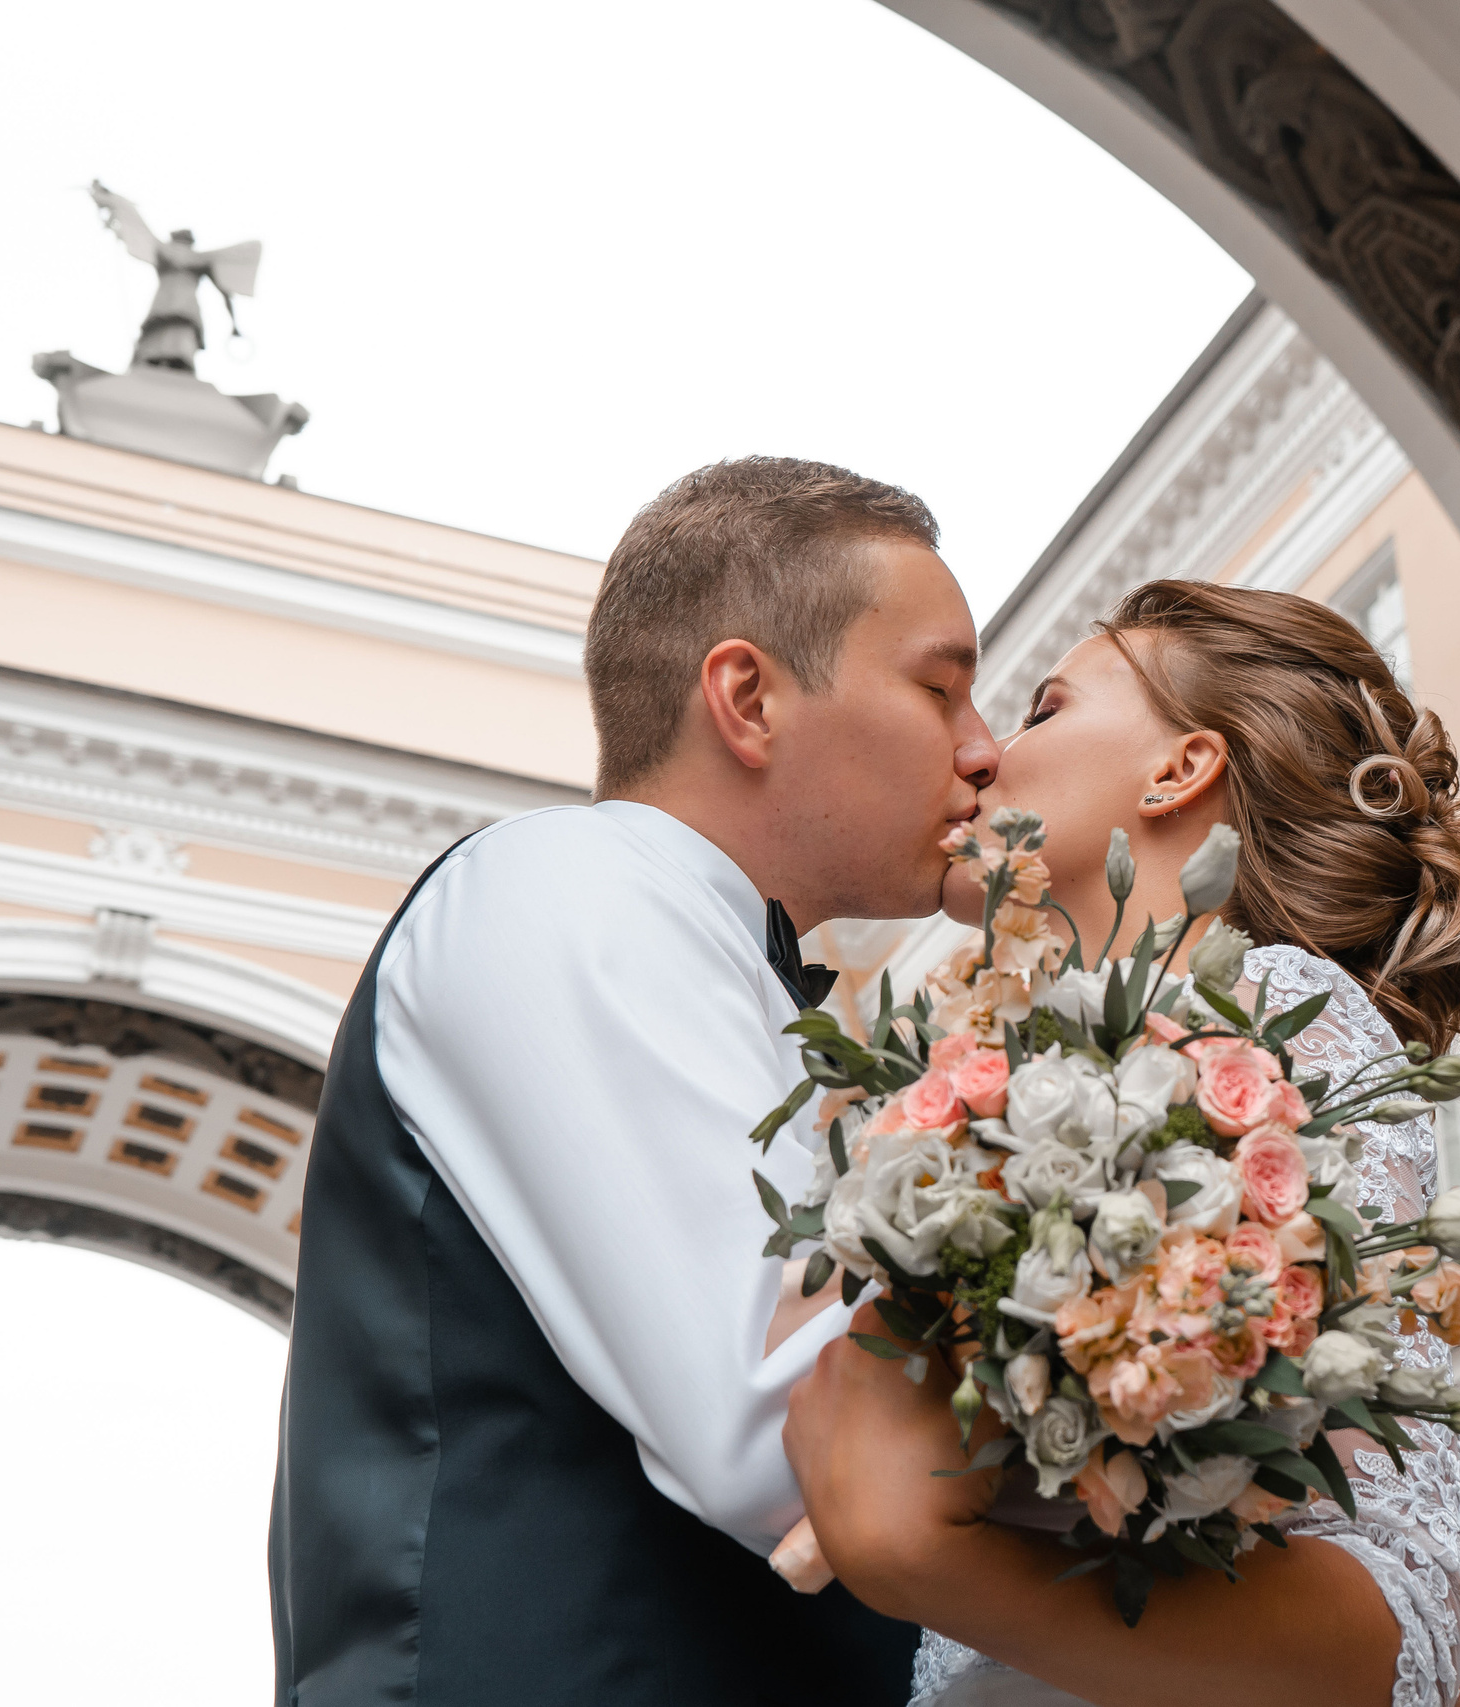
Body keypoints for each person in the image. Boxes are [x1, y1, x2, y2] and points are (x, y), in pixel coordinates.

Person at [268, 457, 1001, 1705]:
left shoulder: (712, 957)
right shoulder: (567, 887)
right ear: (748, 698)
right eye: (941, 688)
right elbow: (769, 1432)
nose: (984, 753)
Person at [782, 579, 1460, 1707]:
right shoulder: (993, 1070)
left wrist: (937, 1558)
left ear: (1179, 770)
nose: (983, 752)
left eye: (1041, 710)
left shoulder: (1277, 1011)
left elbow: (1401, 1604)